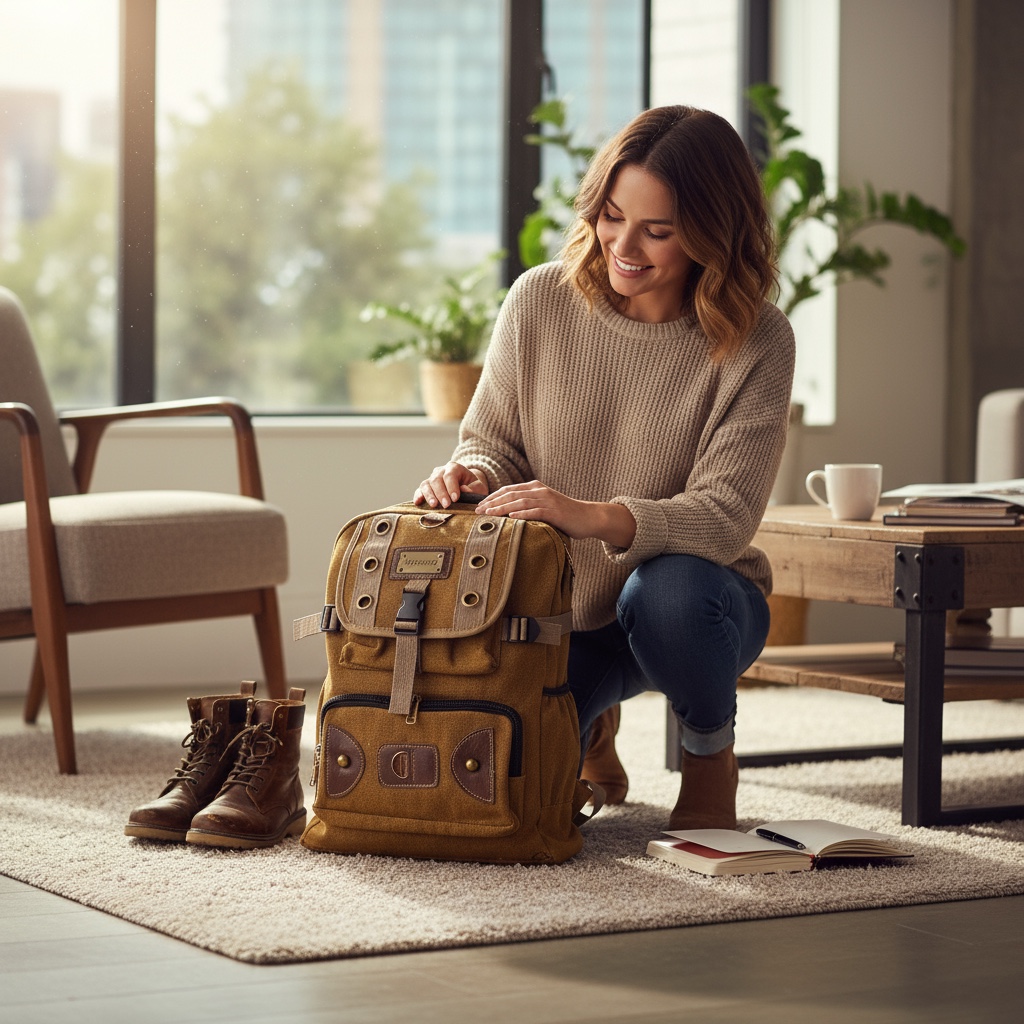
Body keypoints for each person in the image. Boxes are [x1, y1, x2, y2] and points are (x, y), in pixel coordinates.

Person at [414, 105, 795, 830]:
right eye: (613, 215)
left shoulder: (758, 340)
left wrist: (590, 515)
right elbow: (491, 442)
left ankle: (710, 754)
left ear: (716, 233)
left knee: (668, 594)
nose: (624, 245)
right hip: (554, 614)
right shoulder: (539, 301)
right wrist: (471, 477)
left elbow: (724, 517)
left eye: (659, 230)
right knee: (507, 795)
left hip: (697, 608)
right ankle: (590, 728)